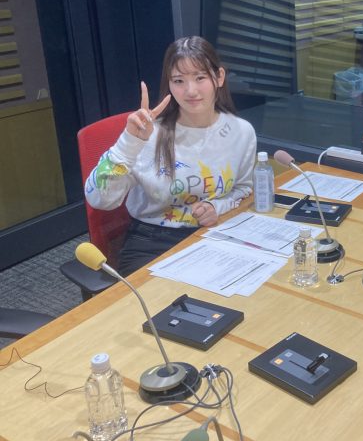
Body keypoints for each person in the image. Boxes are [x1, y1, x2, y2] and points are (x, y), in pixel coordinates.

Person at [84, 36, 257, 275]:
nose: (191, 91)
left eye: (200, 78)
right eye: (179, 81)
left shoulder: (241, 132)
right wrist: (129, 143)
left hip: (216, 232)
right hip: (153, 240)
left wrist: (217, 206)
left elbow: (244, 189)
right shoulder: (149, 134)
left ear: (219, 77)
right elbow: (99, 199)